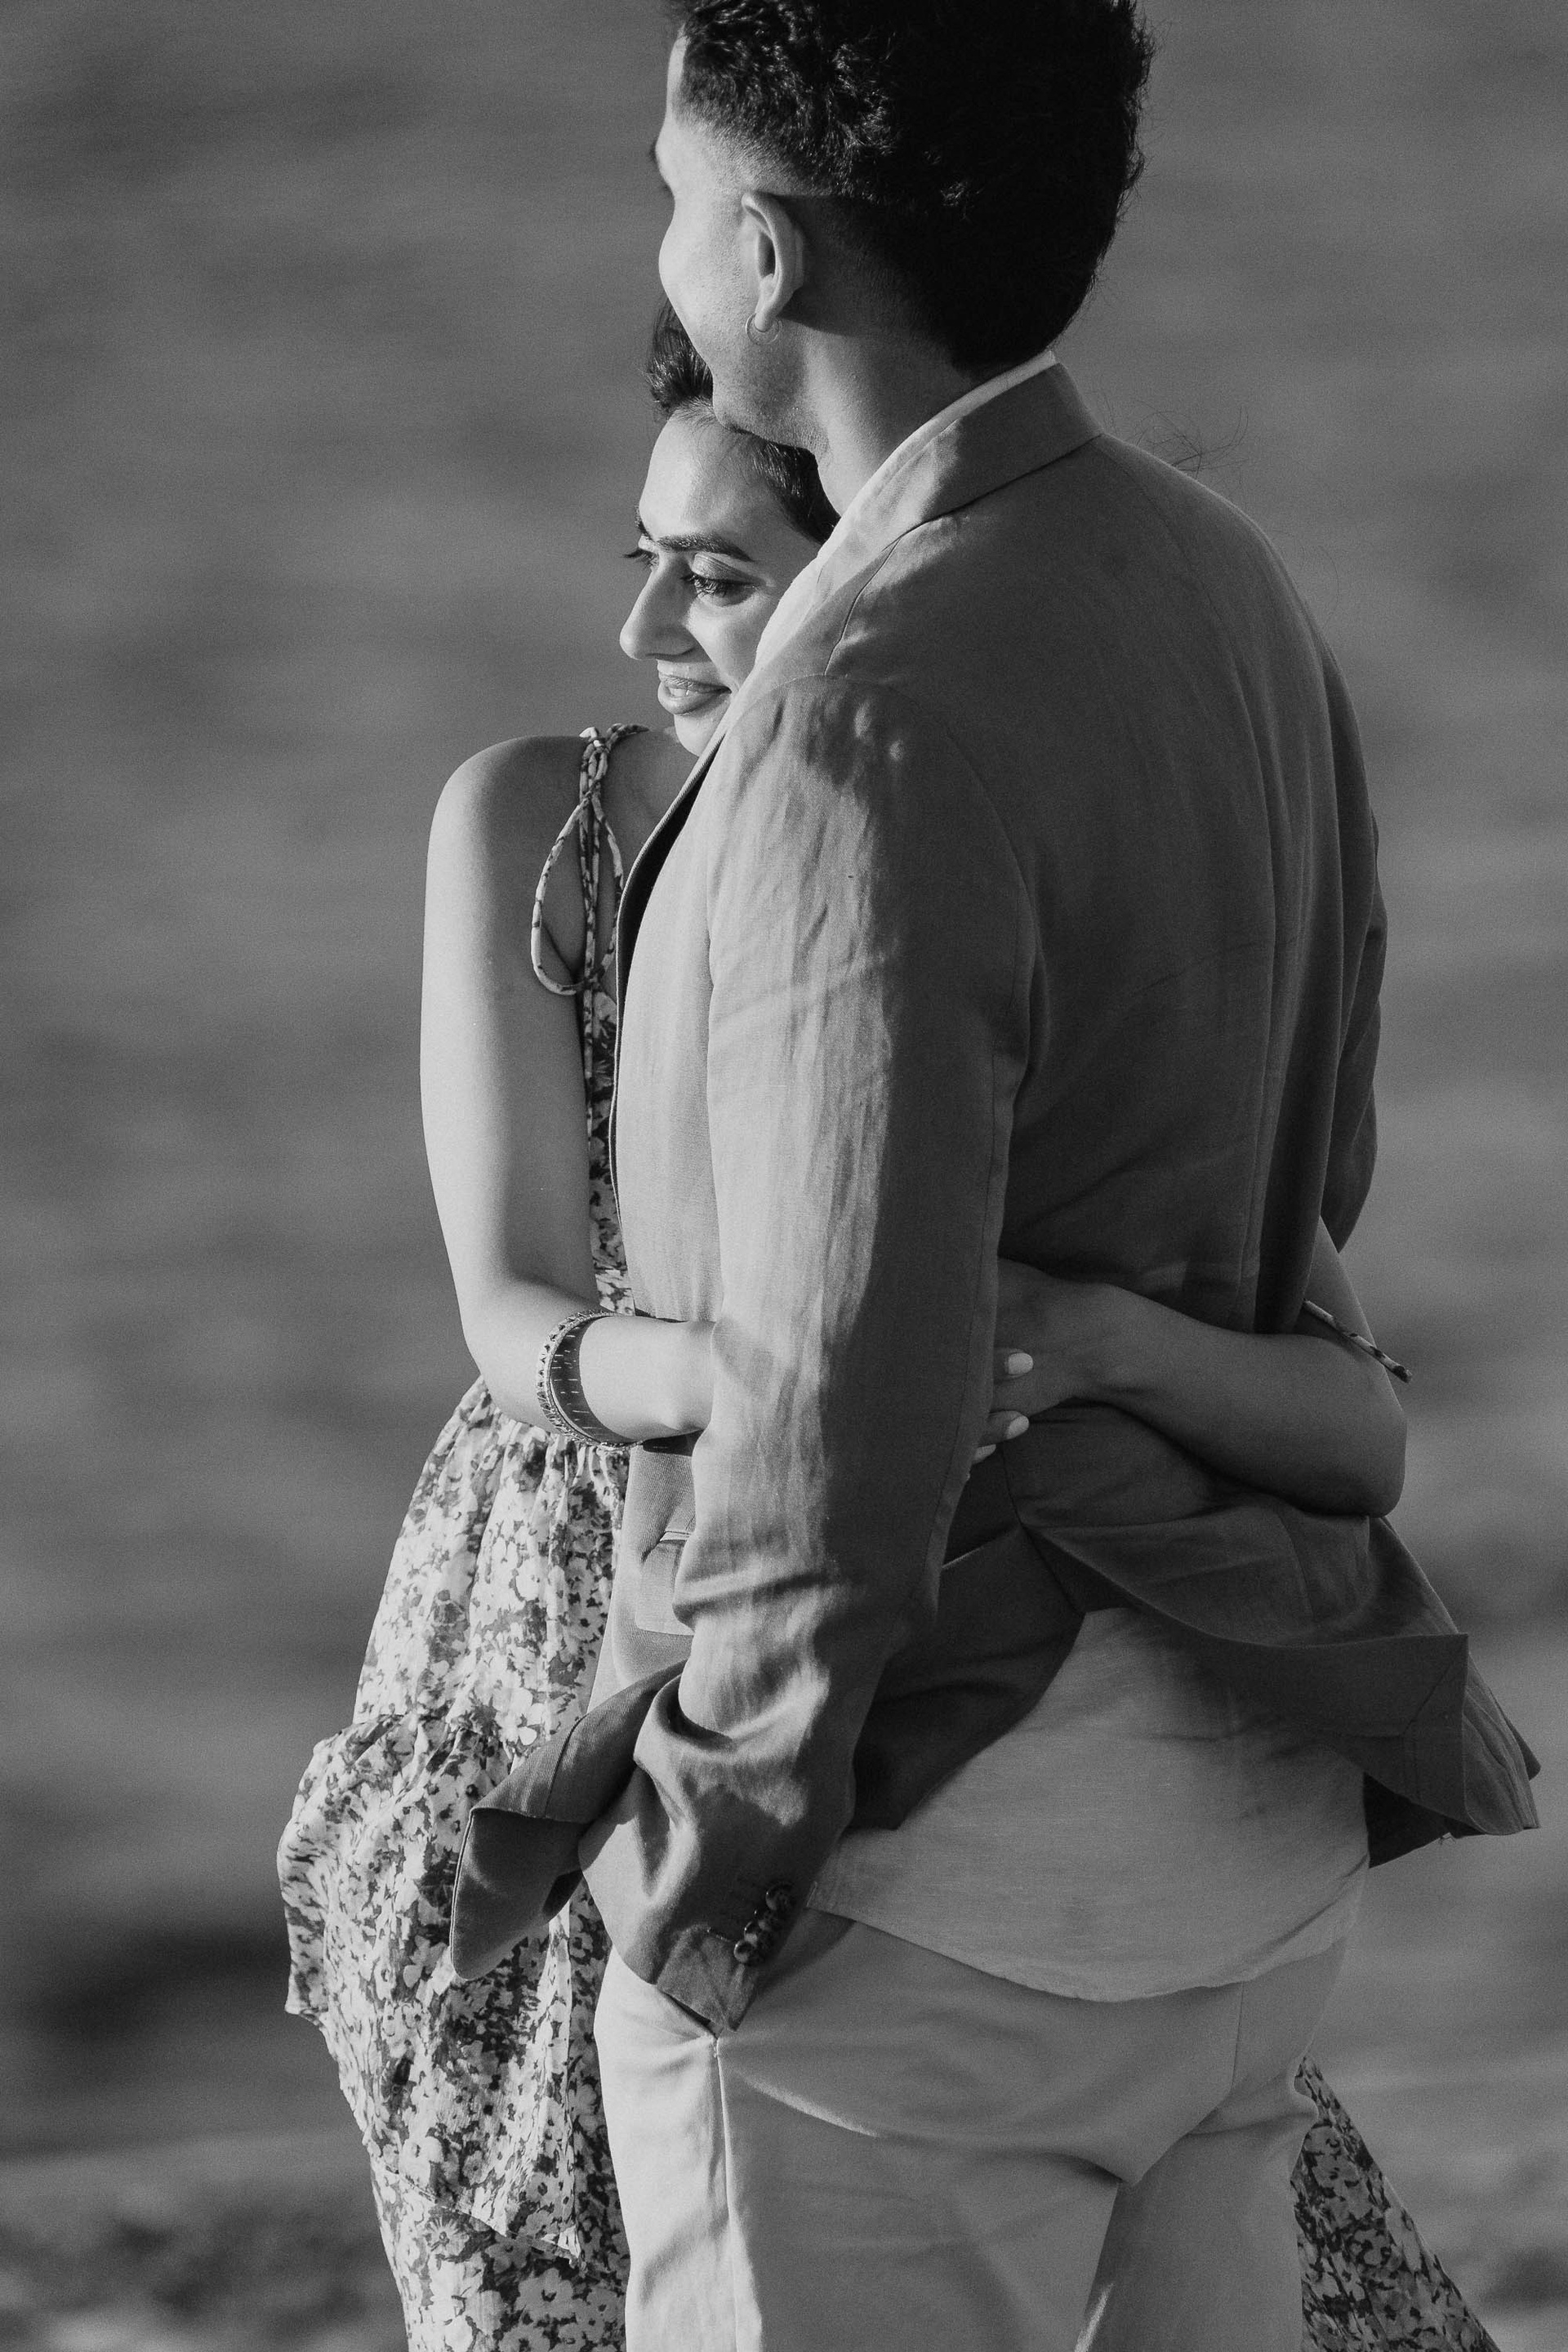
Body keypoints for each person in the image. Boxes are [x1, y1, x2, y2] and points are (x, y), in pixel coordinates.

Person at [448, 11, 1537, 2350]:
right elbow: (1319, 1164)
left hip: (941, 1911)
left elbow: (835, 1395)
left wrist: (718, 1855)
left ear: (765, 251)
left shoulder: (858, 707)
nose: (664, 245)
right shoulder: (1229, 586)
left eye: (671, 195)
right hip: (1235, 1854)